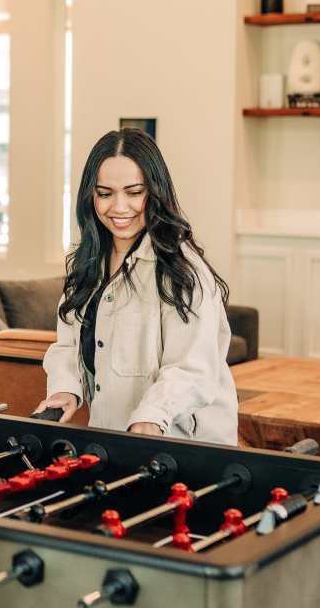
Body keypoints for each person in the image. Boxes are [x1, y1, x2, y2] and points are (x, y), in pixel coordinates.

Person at [34, 128, 238, 444]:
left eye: (133, 192)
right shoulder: (87, 263)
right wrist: (64, 388)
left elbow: (192, 368)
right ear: (91, 196)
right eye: (105, 193)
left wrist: (152, 416)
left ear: (155, 192)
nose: (119, 207)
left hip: (182, 446)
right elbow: (68, 345)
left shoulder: (183, 271)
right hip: (115, 439)